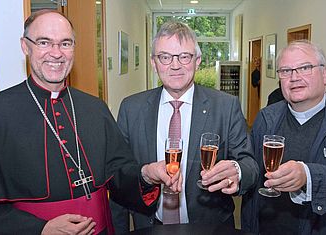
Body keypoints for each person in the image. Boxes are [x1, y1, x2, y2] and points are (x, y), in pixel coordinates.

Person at [0, 10, 180, 234]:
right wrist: (40, 229)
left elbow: (118, 175)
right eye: (44, 42)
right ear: (25, 46)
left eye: (65, 43)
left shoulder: (95, 108)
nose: (56, 53)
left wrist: (146, 173)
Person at [110, 21, 259, 233]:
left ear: (197, 61)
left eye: (184, 56)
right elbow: (118, 175)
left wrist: (237, 171)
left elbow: (250, 164)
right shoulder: (131, 108)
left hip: (210, 228)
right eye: (165, 57)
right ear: (154, 62)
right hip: (150, 227)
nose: (175, 65)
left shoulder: (225, 106)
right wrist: (145, 173)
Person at [241, 40, 326, 234]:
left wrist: (308, 176)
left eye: (305, 68)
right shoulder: (267, 117)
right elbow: (254, 167)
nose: (294, 77)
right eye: (286, 71)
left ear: (324, 74)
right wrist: (237, 171)